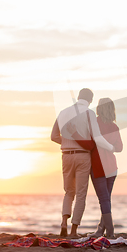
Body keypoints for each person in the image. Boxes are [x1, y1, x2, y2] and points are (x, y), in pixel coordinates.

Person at [51, 88, 114, 238]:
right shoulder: (89, 113)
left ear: (78, 97)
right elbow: (96, 137)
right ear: (90, 100)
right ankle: (73, 231)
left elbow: (53, 136)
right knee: (80, 194)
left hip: (66, 155)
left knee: (68, 192)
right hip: (83, 156)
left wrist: (67, 141)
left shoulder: (62, 112)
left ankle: (63, 224)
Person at [88, 98, 123, 238]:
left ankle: (110, 231)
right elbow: (119, 148)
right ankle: (100, 230)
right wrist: (111, 147)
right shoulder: (114, 127)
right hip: (112, 166)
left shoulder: (94, 123)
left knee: (104, 199)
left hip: (98, 165)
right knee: (106, 199)